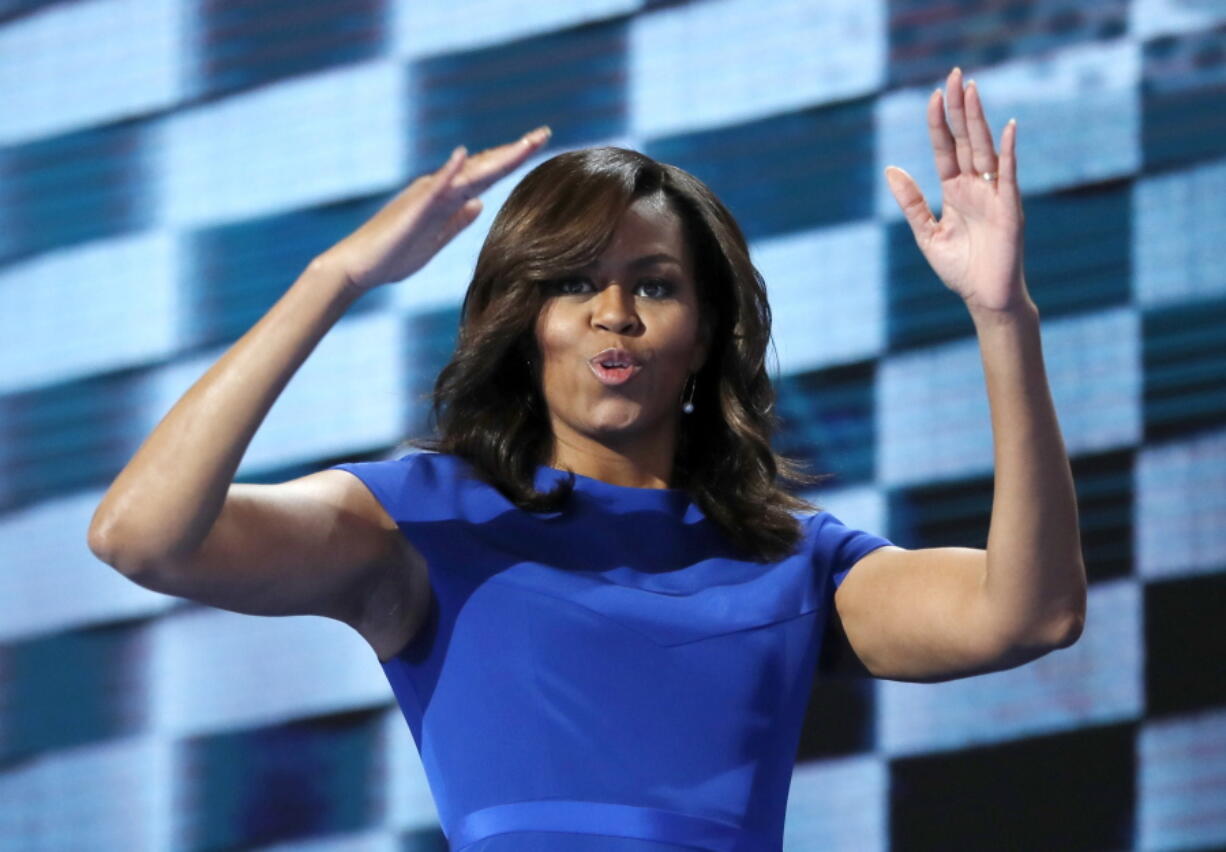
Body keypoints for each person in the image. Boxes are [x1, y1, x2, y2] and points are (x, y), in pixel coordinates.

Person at [88, 67, 1086, 851]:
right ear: (526, 323)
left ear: (703, 333)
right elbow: (141, 536)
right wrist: (337, 274)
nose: (613, 313)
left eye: (652, 285)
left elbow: (1028, 612)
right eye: (573, 283)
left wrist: (1002, 317)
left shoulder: (792, 560)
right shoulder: (421, 521)